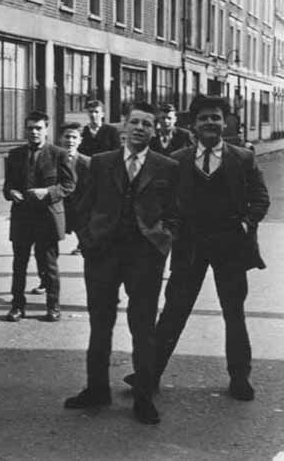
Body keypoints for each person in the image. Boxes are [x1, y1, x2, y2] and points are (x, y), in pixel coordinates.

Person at [138, 95, 270, 402]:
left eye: (216, 117)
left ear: (226, 123)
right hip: (190, 246)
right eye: (203, 118)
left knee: (233, 313)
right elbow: (161, 200)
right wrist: (168, 231)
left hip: (230, 247)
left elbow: (261, 199)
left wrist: (246, 224)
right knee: (173, 312)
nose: (210, 123)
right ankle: (149, 375)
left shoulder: (244, 158)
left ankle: (240, 378)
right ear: (193, 125)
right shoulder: (178, 159)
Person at [64, 102, 179, 425]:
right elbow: (80, 204)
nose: (140, 128)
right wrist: (87, 240)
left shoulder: (166, 167)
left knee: (143, 328)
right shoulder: (100, 163)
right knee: (100, 323)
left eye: (147, 124)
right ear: (124, 127)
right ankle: (96, 389)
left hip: (145, 256)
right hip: (103, 253)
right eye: (135, 122)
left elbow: (175, 212)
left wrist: (162, 242)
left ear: (155, 130)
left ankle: (143, 398)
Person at [1, 111, 74, 323]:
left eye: (38, 128)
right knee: (19, 265)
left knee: (48, 265)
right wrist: (10, 192)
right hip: (22, 218)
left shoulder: (58, 154)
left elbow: (69, 185)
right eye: (30, 128)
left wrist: (48, 192)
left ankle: (53, 307)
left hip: (47, 218)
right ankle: (17, 306)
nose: (34, 132)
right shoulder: (15, 155)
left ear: (46, 129)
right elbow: (8, 185)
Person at [59, 122, 91, 260]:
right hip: (59, 206)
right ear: (60, 139)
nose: (70, 141)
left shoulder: (87, 162)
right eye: (67, 137)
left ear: (80, 140)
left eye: (74, 137)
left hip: (79, 207)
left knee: (85, 240)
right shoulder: (53, 159)